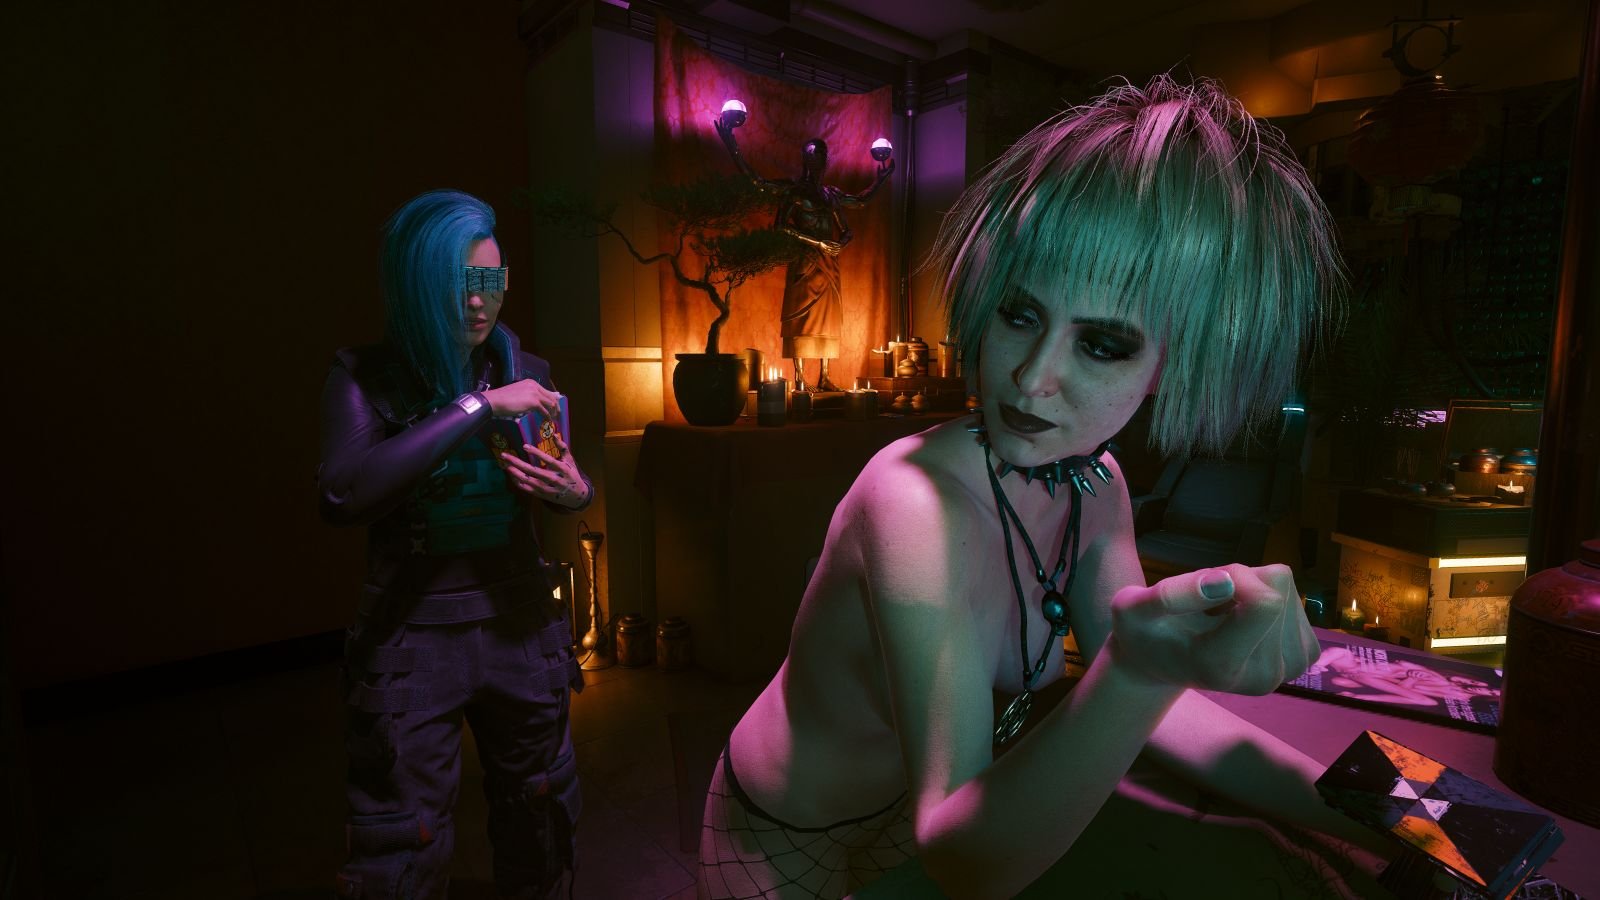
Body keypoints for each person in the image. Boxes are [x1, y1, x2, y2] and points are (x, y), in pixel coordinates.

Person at [697, 76, 1392, 900]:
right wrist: (1137, 670)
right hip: (782, 831)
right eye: (1019, 315)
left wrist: (1390, 819)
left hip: (896, 823)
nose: (1031, 377)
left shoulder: (1096, 485)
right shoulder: (913, 503)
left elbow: (1159, 706)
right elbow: (962, 852)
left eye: (1102, 345)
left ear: (1171, 366)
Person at [318, 189, 593, 900]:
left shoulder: (528, 370)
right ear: (416, 284)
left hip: (520, 629)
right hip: (412, 639)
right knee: (401, 843)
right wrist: (479, 405)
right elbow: (343, 494)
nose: (478, 302)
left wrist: (575, 492)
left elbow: (561, 478)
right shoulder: (363, 377)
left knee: (540, 812)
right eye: (458, 283)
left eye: (490, 281)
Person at [714, 120, 894, 392]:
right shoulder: (794, 191)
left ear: (826, 160)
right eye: (813, 154)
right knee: (800, 316)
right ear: (805, 159)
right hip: (804, 261)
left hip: (829, 264)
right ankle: (800, 377)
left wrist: (880, 180)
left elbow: (858, 204)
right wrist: (732, 146)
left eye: (822, 154)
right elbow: (768, 201)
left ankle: (824, 376)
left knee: (828, 318)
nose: (817, 159)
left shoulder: (831, 195)